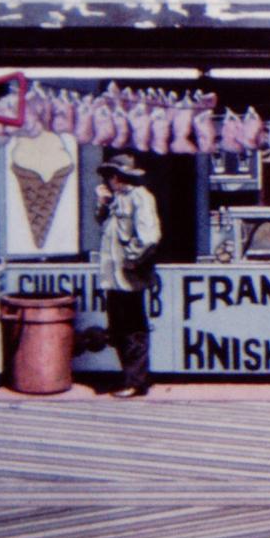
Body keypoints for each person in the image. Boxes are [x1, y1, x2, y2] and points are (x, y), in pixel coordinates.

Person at [94, 153, 160, 398]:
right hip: (113, 278)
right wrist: (103, 202)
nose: (109, 180)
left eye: (111, 175)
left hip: (128, 277)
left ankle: (136, 381)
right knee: (119, 328)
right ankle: (128, 378)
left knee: (133, 329)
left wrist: (132, 260)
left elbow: (149, 237)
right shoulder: (116, 199)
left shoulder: (140, 197)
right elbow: (102, 224)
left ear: (119, 176)